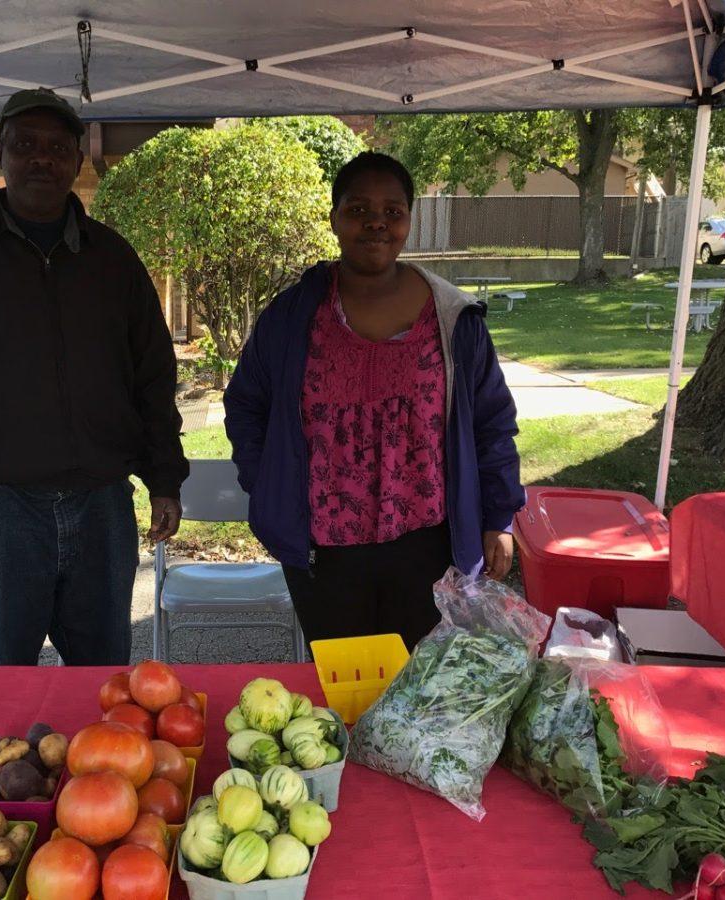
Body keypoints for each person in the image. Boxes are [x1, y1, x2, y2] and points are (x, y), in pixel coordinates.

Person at [0, 89, 188, 666]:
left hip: (102, 505)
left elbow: (152, 377)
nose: (41, 159)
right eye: (26, 145)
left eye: (56, 147)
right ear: (0, 152)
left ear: (77, 159)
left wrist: (163, 477)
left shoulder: (114, 261)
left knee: (102, 688)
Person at [223, 152, 523, 650]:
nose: (376, 222)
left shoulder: (453, 320)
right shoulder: (294, 316)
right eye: (358, 209)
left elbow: (492, 424)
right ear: (335, 218)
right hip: (324, 549)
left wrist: (498, 517)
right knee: (343, 688)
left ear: (409, 219)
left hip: (430, 544)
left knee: (416, 690)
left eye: (393, 210)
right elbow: (247, 405)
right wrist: (270, 484)